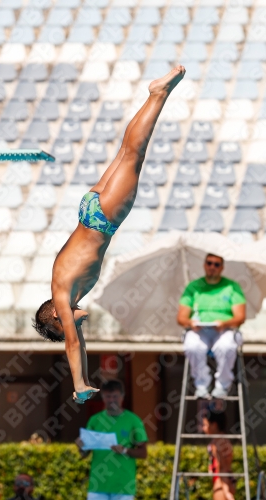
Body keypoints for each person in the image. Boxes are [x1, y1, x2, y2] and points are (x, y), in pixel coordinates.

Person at [33, 66, 186, 403]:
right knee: (125, 151)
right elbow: (79, 339)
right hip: (89, 210)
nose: (74, 329)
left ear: (56, 316)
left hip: (102, 219)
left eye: (65, 326)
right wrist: (85, 376)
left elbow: (73, 344)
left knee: (134, 154)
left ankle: (158, 94)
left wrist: (79, 384)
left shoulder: (62, 297)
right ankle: (156, 95)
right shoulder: (65, 291)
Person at [177, 254, 246, 399]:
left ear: (222, 267)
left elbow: (240, 317)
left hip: (224, 330)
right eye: (209, 263)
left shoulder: (232, 287)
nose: (212, 267)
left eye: (216, 264)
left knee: (226, 346)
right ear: (204, 265)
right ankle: (201, 384)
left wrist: (224, 323)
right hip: (199, 330)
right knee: (192, 346)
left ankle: (222, 385)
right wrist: (191, 323)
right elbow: (181, 317)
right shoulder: (193, 287)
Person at [75, 379, 148, 500]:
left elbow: (143, 453)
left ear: (122, 397)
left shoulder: (134, 421)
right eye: (108, 396)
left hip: (123, 486)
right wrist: (81, 446)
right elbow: (84, 454)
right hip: (97, 486)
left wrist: (125, 450)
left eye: (115, 396)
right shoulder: (95, 420)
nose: (111, 400)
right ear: (103, 397)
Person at [202, 407, 235, 500]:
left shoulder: (218, 443)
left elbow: (222, 466)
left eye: (205, 425)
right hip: (225, 478)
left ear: (214, 425)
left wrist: (226, 490)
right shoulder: (221, 440)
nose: (203, 428)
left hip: (222, 480)